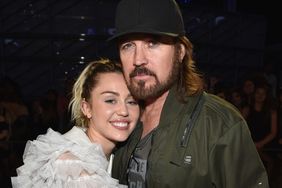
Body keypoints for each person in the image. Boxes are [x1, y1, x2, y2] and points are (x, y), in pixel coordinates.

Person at [108, 0, 270, 187]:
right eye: (128, 46)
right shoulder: (120, 117)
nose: (138, 59)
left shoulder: (219, 124)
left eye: (153, 43)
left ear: (180, 51)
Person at [11, 59, 140, 187]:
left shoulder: (114, 154)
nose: (124, 111)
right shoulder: (73, 167)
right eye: (111, 100)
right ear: (86, 108)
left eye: (132, 102)